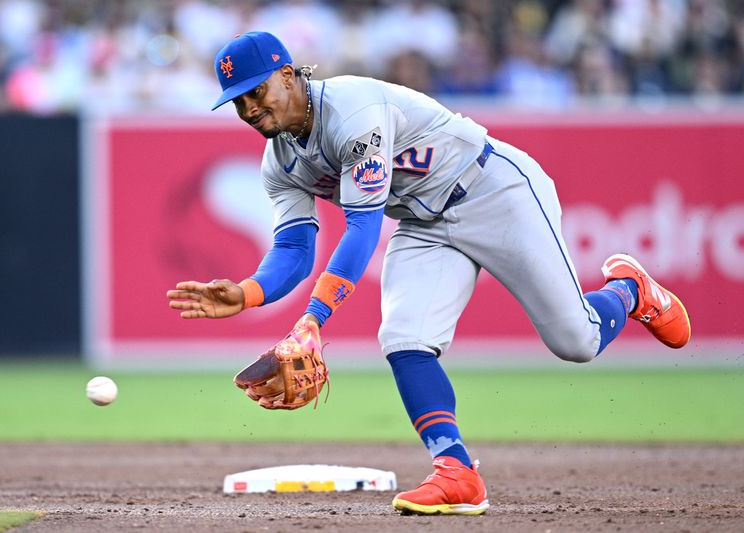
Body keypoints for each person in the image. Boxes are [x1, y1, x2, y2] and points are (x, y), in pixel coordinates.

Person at [166, 31, 691, 516]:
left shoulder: (352, 111)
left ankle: (629, 290)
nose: (250, 108)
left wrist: (314, 317)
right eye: (238, 100)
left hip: (492, 191)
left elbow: (363, 226)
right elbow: (297, 248)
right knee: (402, 336)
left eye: (257, 91)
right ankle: (456, 471)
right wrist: (249, 292)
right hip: (422, 223)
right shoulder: (278, 163)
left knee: (577, 341)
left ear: (288, 74)